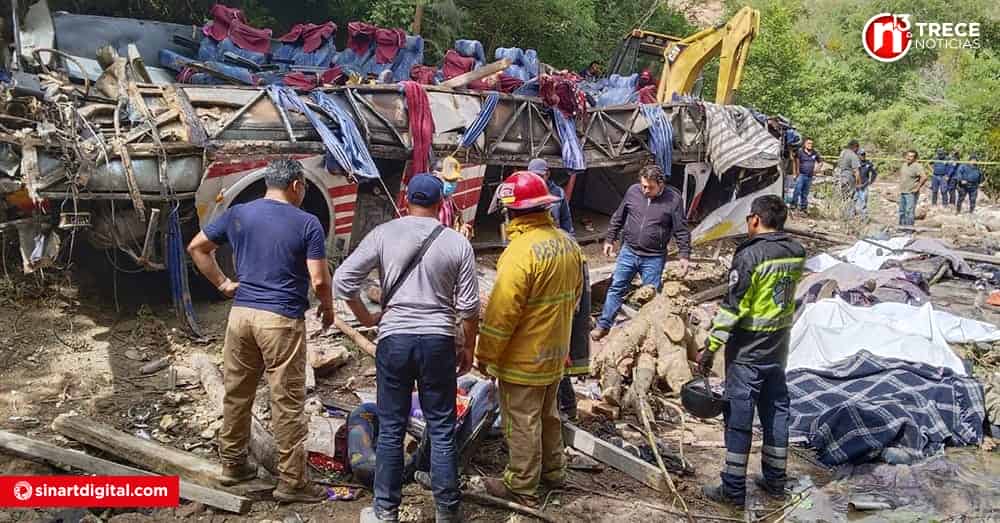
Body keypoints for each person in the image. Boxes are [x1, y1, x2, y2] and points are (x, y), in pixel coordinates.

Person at [335, 174, 480, 523]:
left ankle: (385, 511)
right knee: (442, 427)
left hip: (395, 340)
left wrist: (368, 317)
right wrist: (468, 348)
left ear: (406, 200)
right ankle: (447, 512)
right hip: (438, 341)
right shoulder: (457, 243)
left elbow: (343, 281)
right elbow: (470, 309)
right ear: (441, 204)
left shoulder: (385, 234)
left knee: (391, 425)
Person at [187, 159, 333, 503]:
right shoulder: (308, 223)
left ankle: (233, 464)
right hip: (280, 320)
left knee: (237, 392)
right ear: (296, 185)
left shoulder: (239, 213)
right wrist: (327, 307)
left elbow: (197, 247)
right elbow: (319, 278)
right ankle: (292, 482)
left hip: (241, 316)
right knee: (287, 400)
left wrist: (223, 283)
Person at [476, 171, 584, 506]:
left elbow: (501, 314)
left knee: (522, 421)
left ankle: (521, 485)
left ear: (512, 211)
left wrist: (486, 354)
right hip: (554, 354)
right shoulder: (568, 244)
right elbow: (577, 300)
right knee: (549, 415)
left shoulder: (521, 252)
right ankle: (554, 472)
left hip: (523, 358)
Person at [697, 195, 805, 508]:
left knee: (739, 418)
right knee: (776, 412)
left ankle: (732, 490)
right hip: (778, 348)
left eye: (748, 219)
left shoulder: (749, 256)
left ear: (755, 219)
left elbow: (733, 308)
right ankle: (775, 481)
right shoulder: (796, 252)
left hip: (747, 351)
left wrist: (711, 348)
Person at [591, 165, 691, 341]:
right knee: (616, 288)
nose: (645, 190)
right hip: (628, 252)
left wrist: (684, 255)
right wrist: (610, 239)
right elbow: (619, 216)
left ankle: (650, 334)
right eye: (643, 185)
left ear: (661, 184)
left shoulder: (673, 200)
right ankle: (603, 325)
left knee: (652, 296)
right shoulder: (633, 192)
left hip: (654, 257)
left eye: (650, 187)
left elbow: (681, 229)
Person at [527, 157, 589, 420]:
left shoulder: (557, 196)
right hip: (558, 316)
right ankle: (562, 408)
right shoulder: (557, 253)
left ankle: (563, 407)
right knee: (557, 359)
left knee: (556, 360)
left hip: (552, 319)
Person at [434, 157, 474, 240]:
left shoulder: (449, 200)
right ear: (436, 175)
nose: (450, 184)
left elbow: (455, 219)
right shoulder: (432, 201)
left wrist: (462, 227)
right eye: (447, 179)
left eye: (454, 180)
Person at [790, 137, 821, 213]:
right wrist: (795, 173)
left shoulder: (814, 153)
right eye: (809, 143)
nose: (810, 145)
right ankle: (793, 205)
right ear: (805, 144)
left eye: (811, 143)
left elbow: (820, 162)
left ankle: (803, 208)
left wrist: (816, 170)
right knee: (797, 190)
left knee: (805, 193)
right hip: (801, 175)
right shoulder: (800, 152)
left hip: (810, 176)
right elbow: (795, 162)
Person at [897, 150, 927, 226]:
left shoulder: (917, 166)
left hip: (911, 193)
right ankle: (901, 227)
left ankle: (909, 228)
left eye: (911, 156)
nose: (909, 158)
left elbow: (924, 177)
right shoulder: (904, 165)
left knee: (909, 211)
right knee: (901, 210)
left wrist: (917, 187)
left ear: (915, 158)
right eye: (908, 156)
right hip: (903, 191)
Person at [835, 140, 861, 217]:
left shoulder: (843, 153)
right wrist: (859, 183)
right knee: (851, 197)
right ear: (855, 147)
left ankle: (842, 214)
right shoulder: (853, 156)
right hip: (849, 178)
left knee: (844, 196)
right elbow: (856, 171)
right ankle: (850, 215)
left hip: (841, 176)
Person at [855, 149, 877, 220]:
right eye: (861, 154)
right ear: (858, 155)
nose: (863, 156)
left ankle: (864, 218)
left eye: (864, 154)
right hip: (855, 186)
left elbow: (874, 173)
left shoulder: (868, 164)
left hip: (864, 185)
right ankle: (854, 217)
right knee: (854, 202)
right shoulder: (855, 163)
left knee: (864, 202)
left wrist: (871, 181)